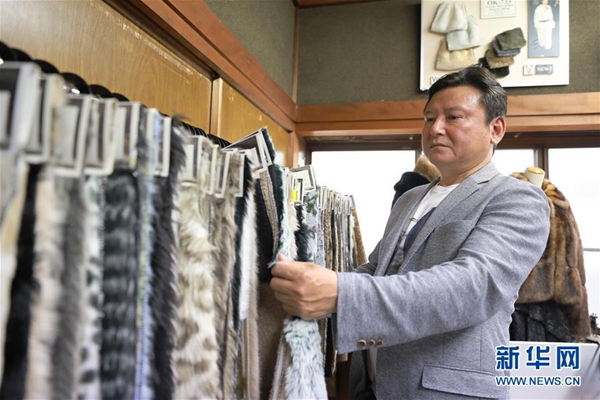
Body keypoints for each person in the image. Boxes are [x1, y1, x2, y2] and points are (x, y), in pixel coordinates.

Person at [270, 66, 550, 399]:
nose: (436, 128)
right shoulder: (410, 198)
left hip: (446, 392)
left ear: (496, 129)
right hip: (372, 387)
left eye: (454, 117)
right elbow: (377, 270)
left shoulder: (517, 197)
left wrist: (342, 293)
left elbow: (474, 287)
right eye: (429, 118)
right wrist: (310, 281)